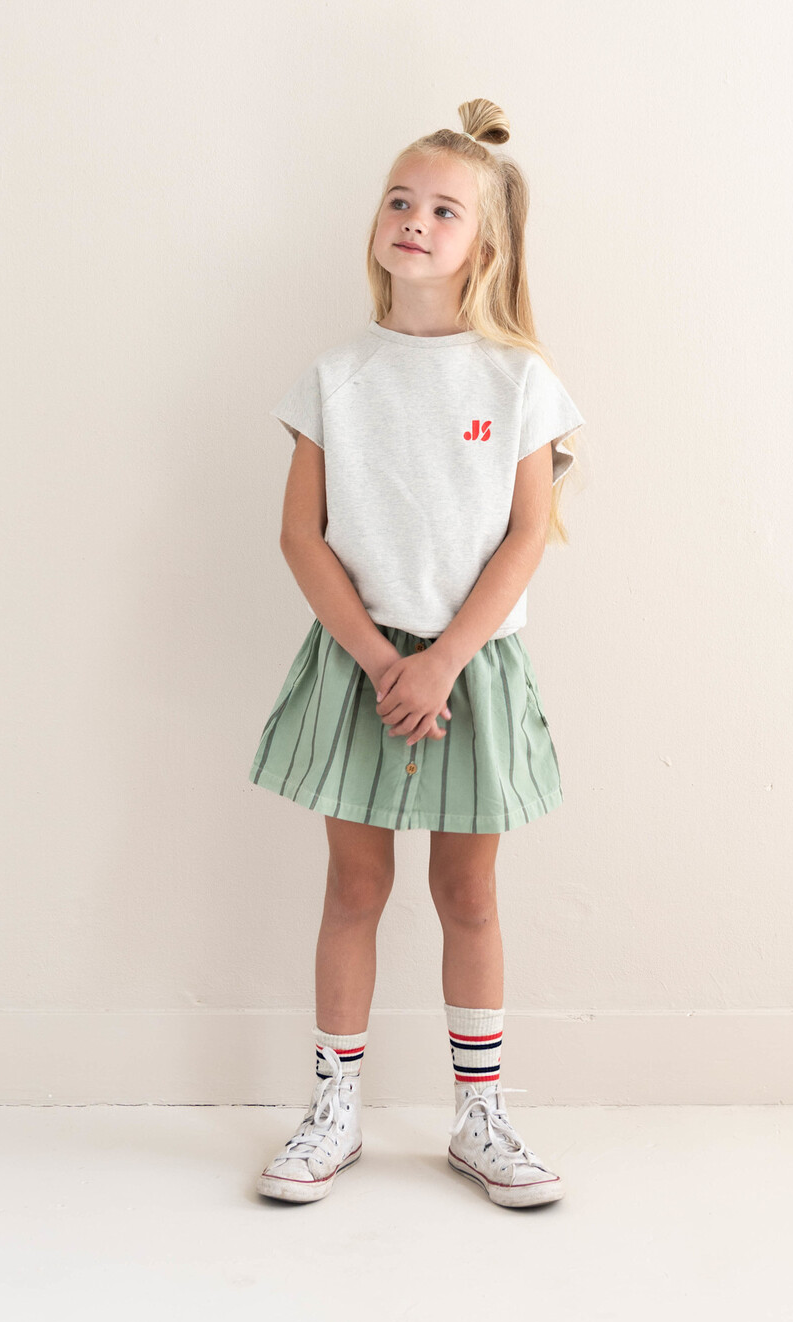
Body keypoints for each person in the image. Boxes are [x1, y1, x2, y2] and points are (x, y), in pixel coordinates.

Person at [248, 97, 584, 1209]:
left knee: (466, 892)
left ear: (484, 243)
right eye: (400, 199)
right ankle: (333, 1109)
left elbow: (526, 534)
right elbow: (301, 535)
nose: (414, 220)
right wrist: (380, 658)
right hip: (358, 663)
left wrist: (440, 661)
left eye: (444, 209)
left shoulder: (519, 380)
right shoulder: (334, 376)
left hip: (469, 667)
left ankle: (479, 1115)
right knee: (354, 884)